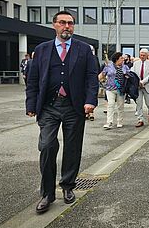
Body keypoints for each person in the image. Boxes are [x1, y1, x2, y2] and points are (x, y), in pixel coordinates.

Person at [25, 11, 99, 214]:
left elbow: (92, 77)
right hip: (49, 106)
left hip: (74, 106)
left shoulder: (84, 50)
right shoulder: (41, 50)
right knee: (47, 146)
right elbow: (33, 79)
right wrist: (31, 104)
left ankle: (67, 186)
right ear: (54, 25)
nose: (67, 26)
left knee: (72, 148)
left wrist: (90, 100)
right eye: (63, 23)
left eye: (71, 23)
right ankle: (47, 193)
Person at [98, 52, 130, 129]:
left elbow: (129, 76)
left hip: (120, 89)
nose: (123, 59)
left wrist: (127, 77)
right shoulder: (109, 66)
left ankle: (120, 121)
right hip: (110, 88)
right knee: (110, 105)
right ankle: (109, 122)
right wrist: (102, 82)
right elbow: (102, 75)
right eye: (121, 58)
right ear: (117, 59)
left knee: (120, 106)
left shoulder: (125, 67)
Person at [131, 48, 149, 127]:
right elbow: (132, 73)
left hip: (147, 86)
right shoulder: (136, 63)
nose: (142, 56)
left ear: (147, 55)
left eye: (144, 55)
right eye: (141, 55)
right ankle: (140, 119)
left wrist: (142, 82)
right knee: (139, 103)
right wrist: (137, 82)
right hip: (138, 87)